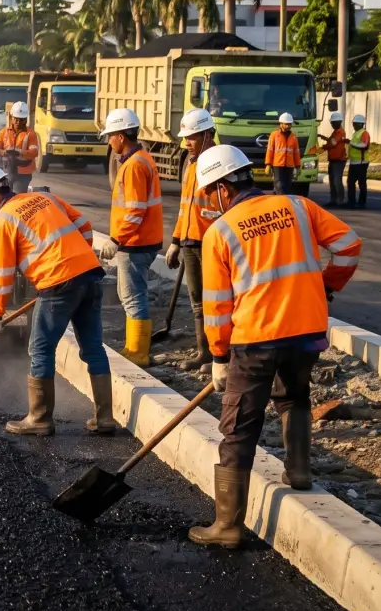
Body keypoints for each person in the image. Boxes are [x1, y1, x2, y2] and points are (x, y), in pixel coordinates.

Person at [189, 144, 361, 548]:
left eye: (208, 193)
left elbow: (217, 308)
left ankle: (227, 526)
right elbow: (349, 246)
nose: (208, 202)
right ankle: (299, 472)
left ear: (221, 189)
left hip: (256, 340)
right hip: (307, 331)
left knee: (239, 427)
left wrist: (218, 355)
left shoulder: (221, 232)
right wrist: (327, 283)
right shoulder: (299, 206)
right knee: (294, 396)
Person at [0, 162, 111, 436]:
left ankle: (40, 418)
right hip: (90, 275)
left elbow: (1, 276)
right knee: (94, 348)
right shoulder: (44, 197)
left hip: (58, 284)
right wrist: (78, 260)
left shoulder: (2, 222)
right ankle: (104, 419)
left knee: (40, 350)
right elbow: (84, 225)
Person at [97, 107, 163, 366]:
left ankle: (138, 352)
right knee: (134, 295)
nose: (109, 141)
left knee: (133, 297)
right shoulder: (141, 159)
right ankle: (135, 347)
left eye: (110, 135)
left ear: (122, 136)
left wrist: (117, 240)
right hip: (142, 240)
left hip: (135, 243)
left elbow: (135, 210)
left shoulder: (134, 165)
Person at [165, 108, 218, 375]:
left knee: (216, 301)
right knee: (197, 299)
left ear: (208, 134)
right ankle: (203, 352)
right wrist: (176, 241)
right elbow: (186, 207)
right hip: (189, 240)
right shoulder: (192, 163)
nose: (187, 142)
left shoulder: (218, 163)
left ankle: (220, 354)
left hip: (211, 243)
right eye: (185, 137)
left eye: (192, 137)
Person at [0, 101, 38, 193]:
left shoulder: (31, 134)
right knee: (5, 198)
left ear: (26, 119)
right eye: (16, 119)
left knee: (18, 197)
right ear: (12, 117)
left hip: (23, 172)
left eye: (21, 120)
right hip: (6, 171)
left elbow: (34, 152)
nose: (18, 122)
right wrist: (3, 152)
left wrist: (20, 152)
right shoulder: (3, 132)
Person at [264, 112, 301, 196]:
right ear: (281, 124)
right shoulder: (274, 135)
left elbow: (296, 152)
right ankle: (280, 202)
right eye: (286, 124)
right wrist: (268, 164)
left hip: (289, 166)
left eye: (289, 124)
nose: (288, 126)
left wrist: (298, 166)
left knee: (287, 187)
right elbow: (270, 150)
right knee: (279, 185)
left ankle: (284, 203)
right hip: (278, 165)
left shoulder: (293, 137)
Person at [325, 112, 348, 208]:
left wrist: (324, 147)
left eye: (333, 122)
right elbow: (332, 141)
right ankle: (333, 200)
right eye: (332, 122)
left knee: (337, 180)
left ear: (338, 122)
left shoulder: (340, 132)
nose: (332, 124)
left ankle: (340, 200)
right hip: (333, 159)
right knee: (332, 180)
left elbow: (333, 143)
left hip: (339, 160)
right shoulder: (335, 132)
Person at [349, 113, 372, 209]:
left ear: (360, 124)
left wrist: (351, 143)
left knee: (361, 182)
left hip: (361, 163)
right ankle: (352, 202)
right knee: (350, 182)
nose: (353, 125)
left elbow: (364, 145)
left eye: (355, 123)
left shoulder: (364, 133)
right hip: (354, 162)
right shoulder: (356, 133)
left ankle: (361, 202)